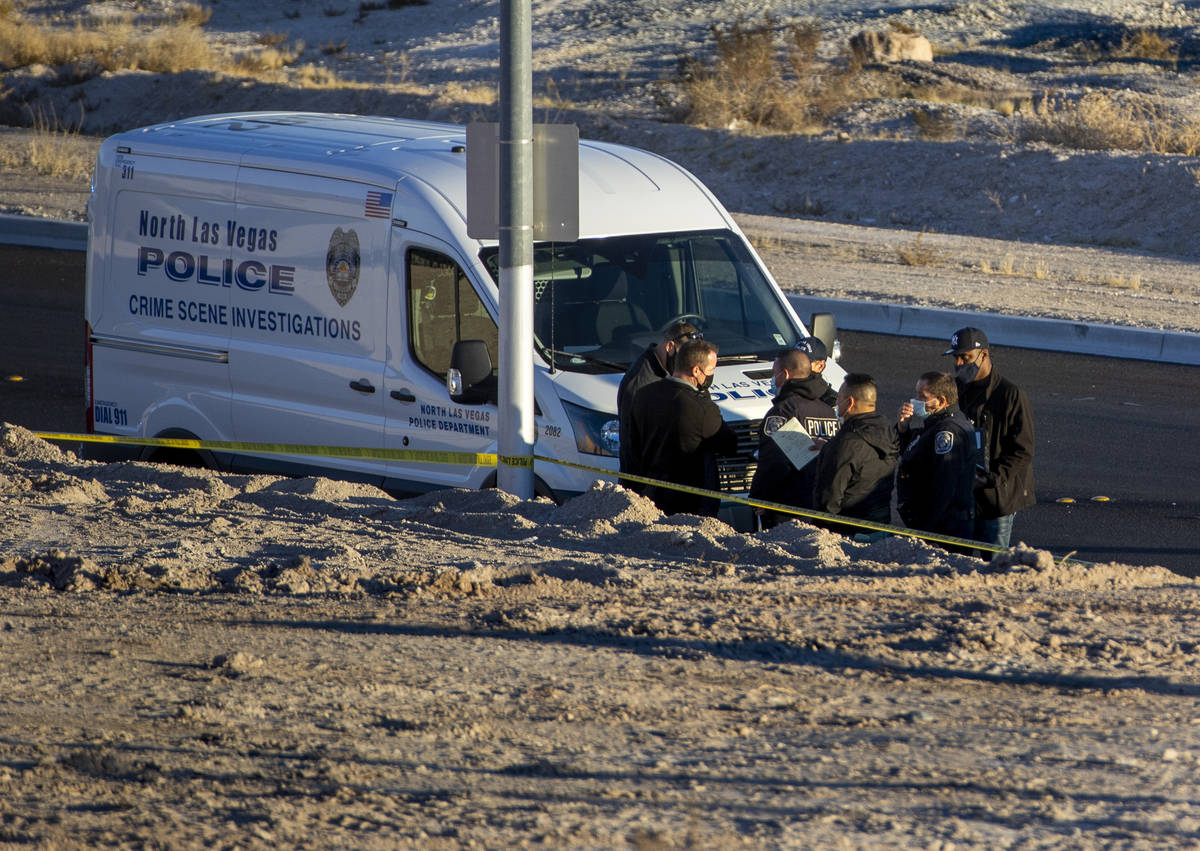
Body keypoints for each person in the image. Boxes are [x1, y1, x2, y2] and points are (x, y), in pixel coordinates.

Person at [945, 327, 1035, 549]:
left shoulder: (1010, 394)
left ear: (983, 354)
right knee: (957, 561)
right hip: (962, 496)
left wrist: (993, 479)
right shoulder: (954, 390)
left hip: (996, 498)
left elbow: (1023, 450)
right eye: (956, 357)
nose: (959, 364)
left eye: (965, 357)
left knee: (994, 563)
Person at [627, 339, 737, 517]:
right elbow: (729, 445)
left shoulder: (643, 394)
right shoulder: (700, 407)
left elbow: (632, 441)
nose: (710, 376)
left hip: (650, 492)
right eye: (710, 370)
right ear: (696, 370)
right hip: (692, 500)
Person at [748, 344, 840, 527]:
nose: (773, 379)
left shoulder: (783, 411)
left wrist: (760, 497)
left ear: (785, 374)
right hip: (819, 505)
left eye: (775, 374)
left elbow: (774, 461)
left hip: (787, 507)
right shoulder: (828, 411)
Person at [616, 321, 702, 485]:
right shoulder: (642, 384)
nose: (688, 365)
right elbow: (636, 448)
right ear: (670, 347)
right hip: (647, 485)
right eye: (684, 358)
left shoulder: (668, 373)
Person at [895, 371, 976, 540]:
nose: (915, 401)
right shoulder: (935, 425)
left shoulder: (947, 431)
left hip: (944, 527)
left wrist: (927, 528)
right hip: (934, 522)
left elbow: (944, 483)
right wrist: (903, 429)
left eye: (922, 397)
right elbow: (914, 453)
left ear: (942, 401)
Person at [811, 373, 898, 526]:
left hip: (849, 531)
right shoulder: (887, 432)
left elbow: (829, 499)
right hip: (880, 525)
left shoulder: (846, 443)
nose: (837, 401)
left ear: (850, 402)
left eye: (839, 397)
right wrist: (829, 448)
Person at [796, 336, 838, 405]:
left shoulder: (831, 402)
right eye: (792, 361)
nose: (795, 366)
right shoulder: (783, 391)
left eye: (803, 363)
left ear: (820, 366)